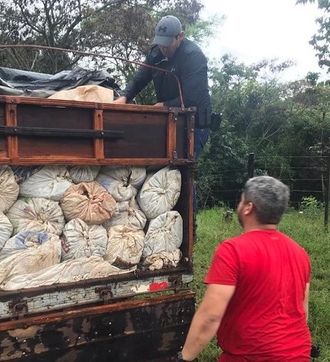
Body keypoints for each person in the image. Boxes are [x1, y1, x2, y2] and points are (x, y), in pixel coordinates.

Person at [177, 176, 312, 361]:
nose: (239, 206)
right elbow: (301, 312)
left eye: (241, 201)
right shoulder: (300, 253)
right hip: (299, 354)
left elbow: (210, 316)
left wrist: (184, 358)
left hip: (250, 356)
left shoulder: (233, 251)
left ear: (248, 207)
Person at [113, 15, 212, 160]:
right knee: (161, 166)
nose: (163, 48)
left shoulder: (193, 57)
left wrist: (164, 105)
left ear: (180, 36)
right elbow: (139, 79)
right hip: (170, 119)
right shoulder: (156, 54)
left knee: (182, 170)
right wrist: (124, 97)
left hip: (195, 124)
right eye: (160, 43)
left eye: (167, 43)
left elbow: (192, 98)